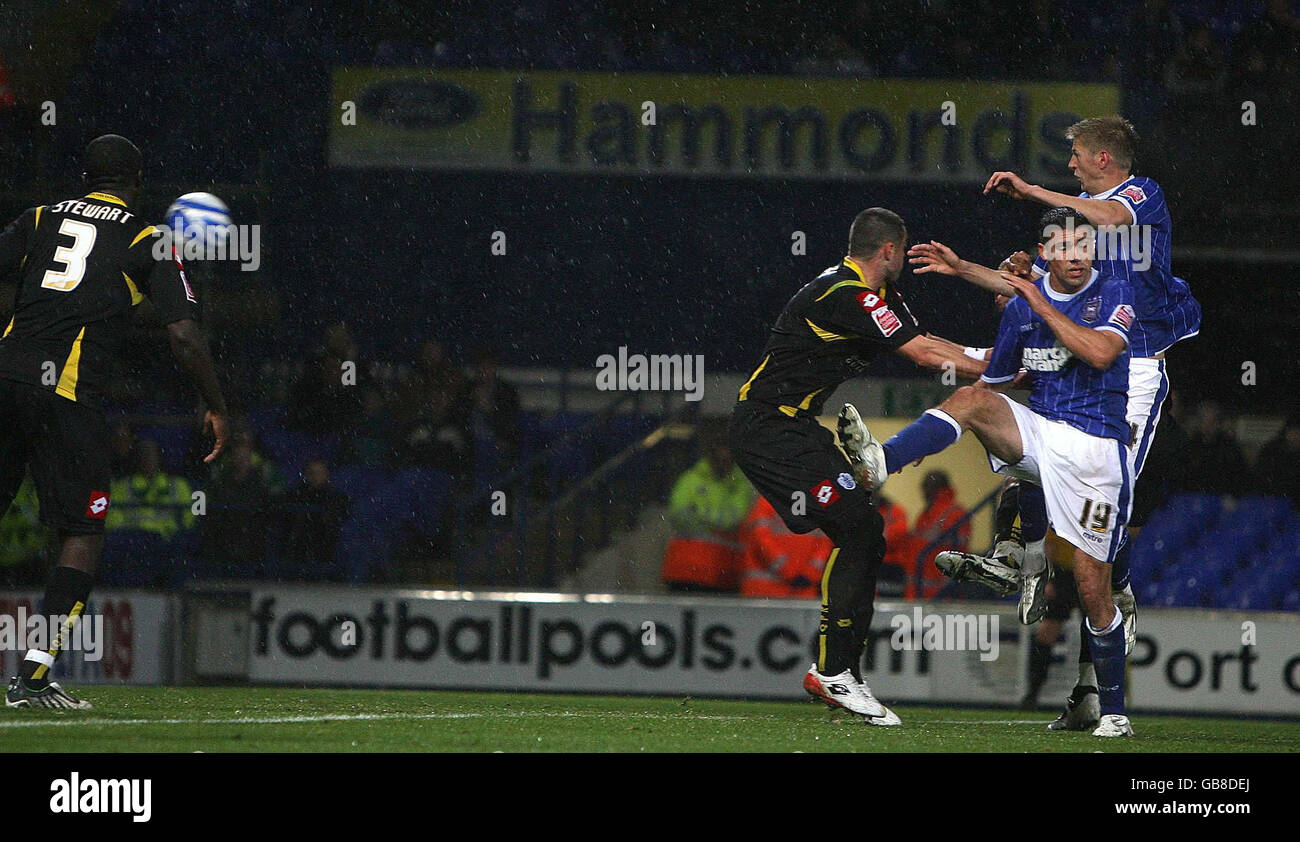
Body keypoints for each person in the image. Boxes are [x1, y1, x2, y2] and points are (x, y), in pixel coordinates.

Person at [913, 115, 1201, 729]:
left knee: (1102, 507)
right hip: (1084, 362)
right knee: (1034, 444)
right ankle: (1031, 554)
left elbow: (1112, 220)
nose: (1068, 164)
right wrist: (971, 269)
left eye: (1074, 155)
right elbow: (1039, 280)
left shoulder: (1138, 196)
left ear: (1102, 157)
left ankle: (1086, 570)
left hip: (1135, 366)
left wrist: (1033, 191)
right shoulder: (1080, 226)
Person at [843, 208, 1137, 737]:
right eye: (1063, 246)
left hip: (1097, 449)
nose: (1075, 255)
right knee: (972, 400)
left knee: (1094, 587)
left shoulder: (1115, 289)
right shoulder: (1022, 307)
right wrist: (966, 292)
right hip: (1045, 435)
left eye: (1083, 245)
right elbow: (998, 380)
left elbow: (1098, 354)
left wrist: (1032, 297)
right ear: (1045, 253)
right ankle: (881, 462)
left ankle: (1113, 711)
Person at [730, 207, 986, 725]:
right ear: (889, 250)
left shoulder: (879, 298)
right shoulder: (847, 294)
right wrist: (1017, 370)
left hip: (796, 429)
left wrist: (1006, 366)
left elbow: (935, 344)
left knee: (864, 530)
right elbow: (923, 354)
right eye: (903, 251)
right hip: (769, 428)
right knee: (860, 529)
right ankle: (835, 673)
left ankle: (840, 672)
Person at [0, 134, 227, 709]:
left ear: (85, 176)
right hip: (67, 395)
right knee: (81, 533)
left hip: (5, 380)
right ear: (138, 181)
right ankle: (32, 674)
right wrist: (216, 404)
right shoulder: (147, 239)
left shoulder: (36, 218)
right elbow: (183, 335)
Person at [660, 440, 754, 593]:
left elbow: (735, 519)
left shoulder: (741, 486)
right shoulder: (691, 479)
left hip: (722, 572)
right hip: (686, 569)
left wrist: (698, 511)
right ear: (710, 459)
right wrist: (718, 519)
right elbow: (678, 515)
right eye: (718, 459)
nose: (722, 464)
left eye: (727, 460)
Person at [737, 495, 833, 599]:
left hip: (790, 591)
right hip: (769, 591)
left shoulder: (769, 498)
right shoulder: (819, 501)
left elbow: (826, 542)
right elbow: (759, 538)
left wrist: (797, 572)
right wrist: (808, 573)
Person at [106, 438, 194, 539]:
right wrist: (130, 532)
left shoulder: (179, 484)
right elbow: (112, 518)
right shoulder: (122, 485)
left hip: (169, 541)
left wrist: (171, 531)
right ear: (137, 458)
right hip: (133, 541)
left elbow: (189, 516)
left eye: (151, 455)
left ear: (159, 457)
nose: (148, 459)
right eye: (144, 455)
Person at [280, 458, 352, 581]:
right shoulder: (295, 495)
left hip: (325, 544)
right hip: (299, 545)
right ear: (306, 475)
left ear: (326, 475)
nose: (315, 477)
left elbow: (337, 519)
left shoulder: (336, 498)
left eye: (319, 473)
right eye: (312, 473)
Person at [909, 471, 970, 598]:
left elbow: (957, 550)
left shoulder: (954, 514)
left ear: (935, 488)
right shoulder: (928, 512)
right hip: (921, 588)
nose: (923, 492)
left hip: (941, 592)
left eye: (926, 487)